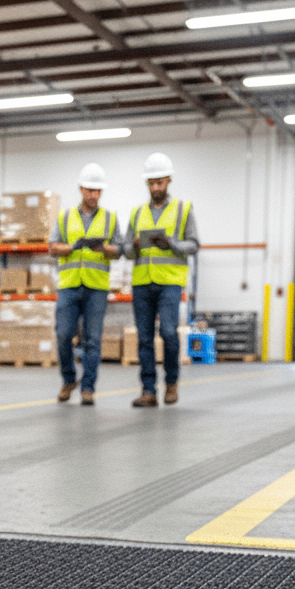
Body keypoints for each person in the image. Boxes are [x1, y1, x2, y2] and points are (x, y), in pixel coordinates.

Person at [124, 152, 200, 407]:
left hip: (169, 282)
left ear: (169, 180)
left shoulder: (183, 209)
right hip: (142, 283)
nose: (156, 187)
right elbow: (126, 250)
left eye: (160, 182)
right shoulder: (137, 213)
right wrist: (134, 245)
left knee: (168, 332)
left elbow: (194, 244)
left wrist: (172, 244)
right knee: (145, 339)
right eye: (152, 183)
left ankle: (171, 382)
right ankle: (148, 390)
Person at [48, 162, 122, 406]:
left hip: (96, 287)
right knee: (63, 334)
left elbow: (119, 250)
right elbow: (52, 247)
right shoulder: (64, 217)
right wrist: (71, 247)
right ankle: (69, 379)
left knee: (93, 339)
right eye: (90, 190)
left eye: (98, 191)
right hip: (69, 285)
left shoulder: (110, 218)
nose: (94, 195)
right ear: (81, 189)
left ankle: (88, 387)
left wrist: (105, 249)